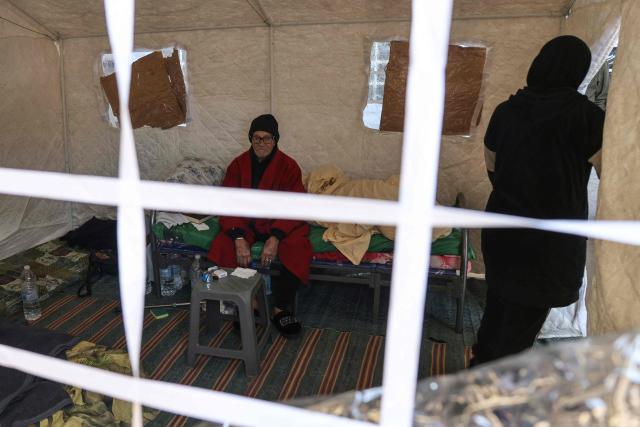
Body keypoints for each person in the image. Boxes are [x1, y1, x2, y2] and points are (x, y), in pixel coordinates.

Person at [472, 36, 605, 365]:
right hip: (551, 239)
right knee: (520, 326)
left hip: (505, 226)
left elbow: (493, 167)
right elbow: (611, 177)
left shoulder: (506, 112)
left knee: (500, 310)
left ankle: (479, 372)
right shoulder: (588, 118)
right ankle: (487, 394)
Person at [208, 114, 312, 338]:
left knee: (297, 246)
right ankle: (250, 305)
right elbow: (228, 202)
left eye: (267, 138)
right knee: (223, 243)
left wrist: (275, 237)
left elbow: (295, 205)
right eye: (257, 138)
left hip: (278, 221)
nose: (261, 143)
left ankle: (280, 309)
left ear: (275, 140)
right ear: (250, 139)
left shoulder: (289, 166)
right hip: (246, 221)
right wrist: (237, 236)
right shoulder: (237, 165)